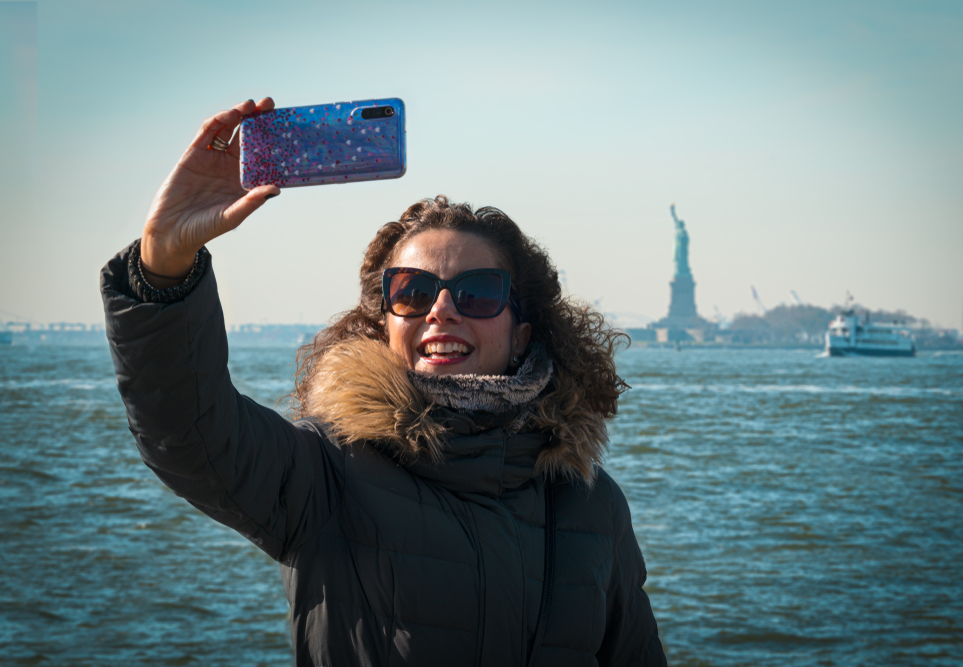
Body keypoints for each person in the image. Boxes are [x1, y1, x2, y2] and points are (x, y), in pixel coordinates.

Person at [101, 98, 667, 666]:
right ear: (383, 323)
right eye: (413, 291)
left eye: (476, 292)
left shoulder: (590, 503)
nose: (442, 310)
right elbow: (188, 429)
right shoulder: (326, 472)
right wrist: (164, 265)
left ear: (522, 331)